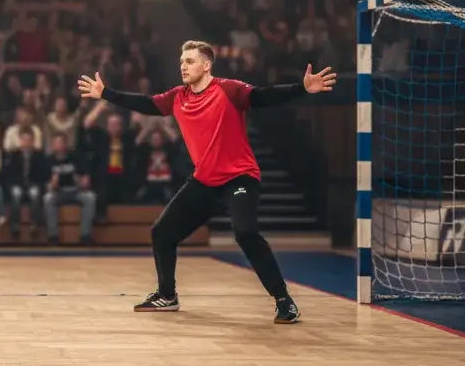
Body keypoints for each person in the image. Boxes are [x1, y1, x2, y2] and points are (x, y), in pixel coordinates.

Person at [77, 40, 336, 323]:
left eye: (189, 61)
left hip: (240, 177)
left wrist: (302, 88)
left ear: (206, 65)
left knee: (246, 233)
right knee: (162, 232)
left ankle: (284, 301)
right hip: (205, 181)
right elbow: (147, 104)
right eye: (181, 62)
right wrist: (106, 94)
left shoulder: (228, 89)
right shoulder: (178, 97)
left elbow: (263, 96)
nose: (183, 66)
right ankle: (167, 295)